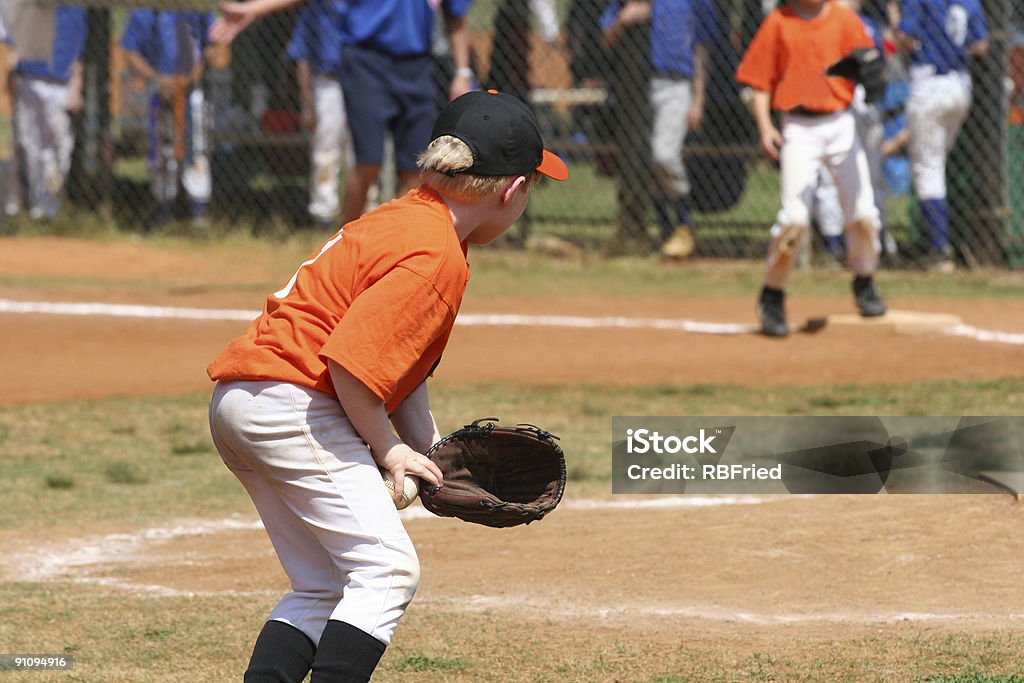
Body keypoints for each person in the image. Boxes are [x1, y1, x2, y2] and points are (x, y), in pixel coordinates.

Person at [206, 90, 567, 683]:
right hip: (294, 402)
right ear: (511, 191)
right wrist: (388, 449)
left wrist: (426, 451)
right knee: (386, 571)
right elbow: (352, 365)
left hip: (245, 402)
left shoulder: (408, 217)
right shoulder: (436, 256)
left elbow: (400, 370)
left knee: (324, 585)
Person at [211, 0, 476, 228]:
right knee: (368, 164)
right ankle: (344, 243)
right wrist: (253, 9)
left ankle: (396, 246)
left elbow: (456, 16)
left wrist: (462, 72)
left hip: (417, 67)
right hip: (366, 64)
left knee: (414, 170)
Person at [737, 0, 887, 337]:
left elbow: (869, 64)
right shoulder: (779, 22)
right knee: (794, 220)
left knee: (863, 214)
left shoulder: (844, 21)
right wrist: (765, 128)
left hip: (840, 123)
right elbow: (760, 81)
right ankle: (772, 293)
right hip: (798, 127)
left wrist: (873, 75)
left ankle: (865, 280)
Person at [601, 0, 716, 259]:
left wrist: (698, 99)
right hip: (637, 87)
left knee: (663, 155)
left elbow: (701, 49)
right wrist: (623, 19)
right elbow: (606, 39)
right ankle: (667, 232)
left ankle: (684, 222)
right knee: (645, 161)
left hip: (677, 85)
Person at [896, 0, 989, 272]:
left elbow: (906, 35)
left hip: (929, 83)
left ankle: (939, 249)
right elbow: (981, 45)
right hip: (960, 86)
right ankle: (938, 244)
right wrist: (953, 47)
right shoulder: (970, 1)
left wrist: (918, 42)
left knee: (928, 168)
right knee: (936, 163)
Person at [121, 9, 215, 229]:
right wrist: (157, 80)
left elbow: (213, 43)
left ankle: (198, 214)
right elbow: (130, 52)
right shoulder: (144, 11)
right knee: (160, 151)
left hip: (192, 92)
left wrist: (188, 78)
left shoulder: (195, 7)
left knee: (196, 150)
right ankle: (164, 212)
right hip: (158, 93)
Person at [4, 4, 86, 222]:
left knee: (61, 145)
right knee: (30, 144)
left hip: (59, 84)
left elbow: (79, 51)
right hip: (28, 79)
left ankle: (52, 201)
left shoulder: (74, 9)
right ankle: (39, 206)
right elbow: (12, 46)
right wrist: (11, 75)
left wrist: (76, 86)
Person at [286, 0, 352, 230]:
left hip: (363, 81)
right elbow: (301, 56)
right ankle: (324, 215)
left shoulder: (365, 6)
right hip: (327, 83)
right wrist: (307, 105)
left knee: (362, 154)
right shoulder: (316, 8)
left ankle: (367, 213)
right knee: (325, 149)